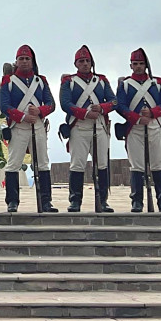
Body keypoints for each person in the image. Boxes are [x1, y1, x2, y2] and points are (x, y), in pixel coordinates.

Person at [0, 45, 57, 213]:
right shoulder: (8, 81)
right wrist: (23, 116)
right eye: (21, 59)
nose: (24, 62)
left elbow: (51, 104)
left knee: (43, 164)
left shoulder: (40, 81)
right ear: (16, 62)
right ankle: (12, 201)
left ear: (32, 62)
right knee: (13, 163)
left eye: (27, 59)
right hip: (18, 126)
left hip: (37, 126)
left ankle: (45, 201)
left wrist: (40, 111)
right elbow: (4, 105)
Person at [60, 45, 117, 213]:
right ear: (76, 64)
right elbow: (65, 104)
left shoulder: (101, 80)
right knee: (77, 164)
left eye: (87, 61)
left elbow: (114, 101)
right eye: (81, 61)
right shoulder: (68, 81)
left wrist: (101, 108)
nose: (85, 64)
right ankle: (75, 200)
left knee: (102, 164)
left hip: (99, 125)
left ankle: (103, 200)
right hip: (79, 126)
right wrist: (84, 113)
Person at [117, 48, 161, 212]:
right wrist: (137, 118)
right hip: (134, 127)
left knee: (158, 164)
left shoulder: (157, 83)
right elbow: (120, 106)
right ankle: (136, 201)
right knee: (137, 166)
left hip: (155, 126)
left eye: (141, 64)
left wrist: (152, 112)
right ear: (131, 65)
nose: (138, 67)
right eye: (135, 64)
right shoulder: (125, 84)